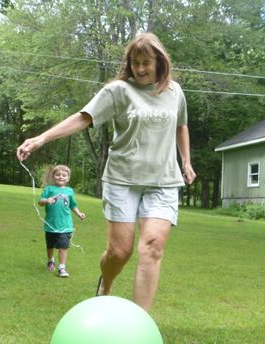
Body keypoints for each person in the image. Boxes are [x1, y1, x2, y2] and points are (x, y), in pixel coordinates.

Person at [17, 32, 196, 311]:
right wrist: (41, 138)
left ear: (160, 61)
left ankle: (140, 323)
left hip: (163, 182)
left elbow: (181, 125)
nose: (140, 68)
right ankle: (107, 283)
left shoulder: (175, 92)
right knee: (119, 252)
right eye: (135, 62)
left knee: (152, 247)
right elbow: (83, 118)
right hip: (123, 179)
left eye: (146, 62)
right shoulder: (118, 90)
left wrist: (186, 161)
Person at [38, 164, 86, 278]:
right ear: (53, 176)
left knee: (63, 246)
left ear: (68, 178)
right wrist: (46, 200)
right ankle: (50, 261)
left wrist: (79, 213)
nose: (61, 177)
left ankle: (62, 268)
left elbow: (73, 205)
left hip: (65, 225)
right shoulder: (49, 189)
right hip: (51, 224)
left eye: (64, 175)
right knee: (50, 246)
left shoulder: (69, 191)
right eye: (58, 175)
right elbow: (40, 202)